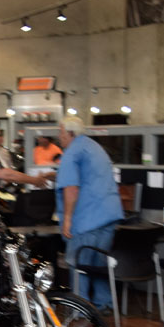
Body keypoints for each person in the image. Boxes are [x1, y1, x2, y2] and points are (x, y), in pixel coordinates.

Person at [49, 116, 125, 308]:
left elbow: (72, 189)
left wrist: (67, 219)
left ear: (70, 133)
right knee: (98, 264)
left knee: (78, 264)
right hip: (108, 215)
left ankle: (80, 308)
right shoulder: (94, 147)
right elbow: (91, 176)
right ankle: (104, 304)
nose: (59, 136)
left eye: (61, 132)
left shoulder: (71, 152)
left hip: (86, 218)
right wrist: (55, 175)